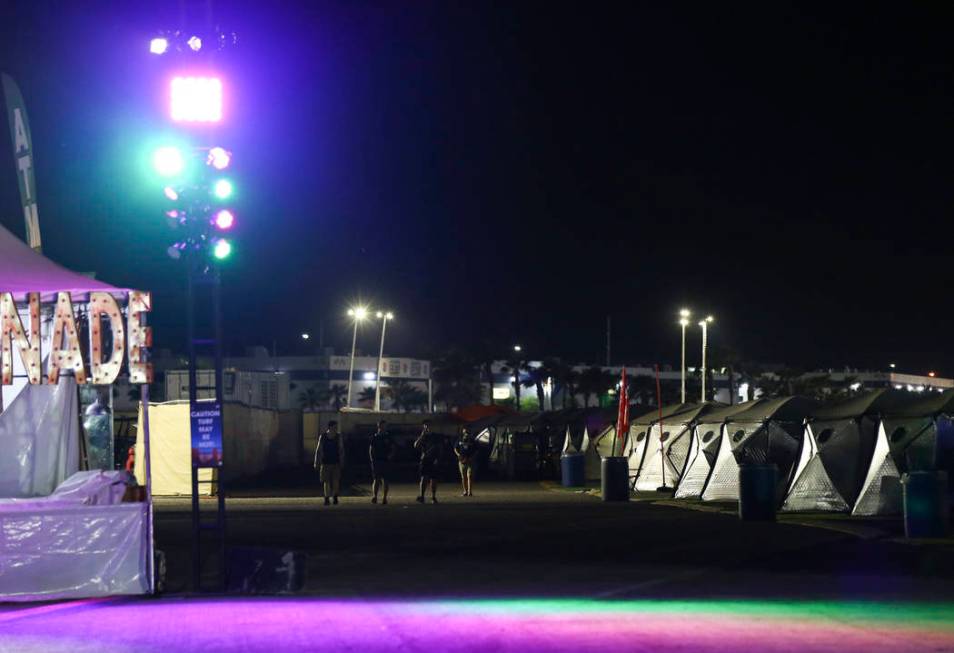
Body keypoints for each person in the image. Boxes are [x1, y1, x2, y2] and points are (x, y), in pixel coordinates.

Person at [314, 420, 345, 505]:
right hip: (326, 462)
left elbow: (341, 449)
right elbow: (319, 449)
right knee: (326, 481)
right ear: (330, 427)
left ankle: (334, 496)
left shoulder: (338, 437)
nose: (336, 429)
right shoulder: (323, 436)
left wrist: (342, 460)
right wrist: (317, 461)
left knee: (335, 480)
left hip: (335, 462)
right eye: (334, 427)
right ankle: (327, 497)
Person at [414, 420, 443, 504]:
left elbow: (440, 448)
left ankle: (433, 497)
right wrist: (421, 436)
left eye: (429, 425)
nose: (427, 427)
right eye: (425, 426)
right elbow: (415, 445)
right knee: (423, 478)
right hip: (425, 460)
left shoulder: (436, 436)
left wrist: (438, 459)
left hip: (433, 459)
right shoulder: (423, 436)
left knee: (433, 479)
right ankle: (422, 496)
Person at [369, 420, 396, 504]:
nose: (383, 427)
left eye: (385, 426)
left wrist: (390, 456)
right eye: (382, 426)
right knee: (376, 479)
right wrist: (372, 459)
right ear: (379, 426)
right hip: (377, 460)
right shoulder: (375, 437)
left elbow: (393, 448)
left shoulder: (388, 437)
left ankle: (384, 497)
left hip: (385, 460)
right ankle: (375, 496)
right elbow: (371, 449)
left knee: (385, 480)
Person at [454, 427, 477, 497]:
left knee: (469, 476)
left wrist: (471, 458)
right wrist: (458, 455)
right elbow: (455, 448)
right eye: (465, 430)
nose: (466, 431)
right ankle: (465, 491)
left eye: (467, 430)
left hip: (470, 461)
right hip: (462, 461)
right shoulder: (459, 439)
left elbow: (476, 450)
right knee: (463, 477)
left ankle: (470, 492)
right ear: (463, 431)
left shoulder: (472, 440)